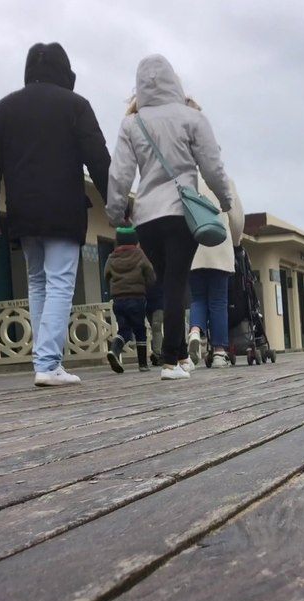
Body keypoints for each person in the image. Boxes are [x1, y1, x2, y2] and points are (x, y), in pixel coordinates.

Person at [0, 42, 110, 388]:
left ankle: (44, 361)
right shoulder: (75, 106)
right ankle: (49, 364)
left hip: (22, 211)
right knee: (61, 281)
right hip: (63, 209)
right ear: (65, 72)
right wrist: (116, 203)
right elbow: (98, 159)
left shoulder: (4, 108)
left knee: (37, 282)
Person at [106, 55, 233, 381]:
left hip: (146, 217)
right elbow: (212, 165)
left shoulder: (132, 123)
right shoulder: (190, 117)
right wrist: (224, 199)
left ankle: (178, 355)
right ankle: (169, 363)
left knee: (165, 282)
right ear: (173, 81)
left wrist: (116, 212)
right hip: (180, 213)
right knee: (177, 283)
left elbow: (119, 174)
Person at [188, 166, 245, 369]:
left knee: (198, 298)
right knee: (219, 301)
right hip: (220, 247)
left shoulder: (187, 179)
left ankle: (195, 330)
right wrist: (237, 241)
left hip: (193, 249)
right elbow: (237, 218)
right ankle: (220, 352)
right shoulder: (225, 180)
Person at [104, 227, 157, 373]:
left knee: (124, 329)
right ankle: (142, 364)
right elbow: (150, 273)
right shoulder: (139, 254)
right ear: (135, 240)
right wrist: (148, 285)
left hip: (118, 300)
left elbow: (106, 276)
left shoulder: (111, 256)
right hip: (136, 298)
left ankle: (114, 350)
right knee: (140, 329)